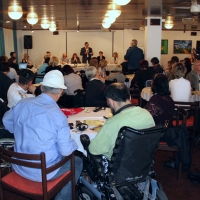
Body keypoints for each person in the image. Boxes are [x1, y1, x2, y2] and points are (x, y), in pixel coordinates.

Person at [3, 70, 82, 200]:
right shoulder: (58, 115)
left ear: (41, 87)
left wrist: (20, 131)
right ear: (60, 91)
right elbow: (66, 150)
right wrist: (75, 144)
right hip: (43, 173)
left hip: (19, 166)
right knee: (77, 161)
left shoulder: (22, 103)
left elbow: (6, 121)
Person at [88, 83, 155, 160]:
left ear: (110, 101)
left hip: (119, 167)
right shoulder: (147, 114)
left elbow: (94, 150)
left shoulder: (113, 123)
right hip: (143, 162)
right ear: (130, 97)